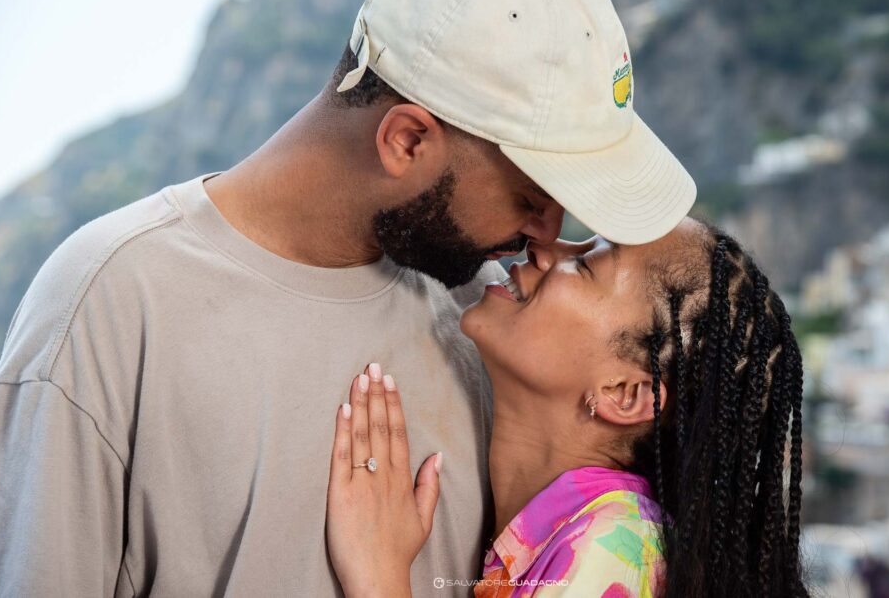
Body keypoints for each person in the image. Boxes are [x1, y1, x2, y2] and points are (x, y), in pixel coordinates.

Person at [0, 0, 696, 597]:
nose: (547, 234)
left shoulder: (497, 325)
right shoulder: (108, 307)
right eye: (531, 196)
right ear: (408, 141)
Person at [326, 220, 808, 598]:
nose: (546, 246)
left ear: (623, 392)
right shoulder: (595, 531)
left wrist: (379, 578)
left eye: (586, 267)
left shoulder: (613, 553)